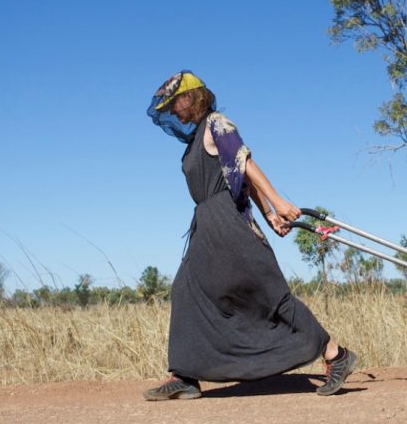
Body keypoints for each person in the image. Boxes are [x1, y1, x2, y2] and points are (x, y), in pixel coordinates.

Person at [142, 70, 357, 401]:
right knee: (187, 289)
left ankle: (336, 355)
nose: (172, 112)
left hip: (228, 222)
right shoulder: (198, 136)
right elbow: (238, 177)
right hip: (207, 223)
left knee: (270, 294)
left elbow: (245, 163)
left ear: (190, 97)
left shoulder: (217, 124)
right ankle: (185, 374)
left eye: (175, 104)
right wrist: (269, 214)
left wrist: (278, 202)